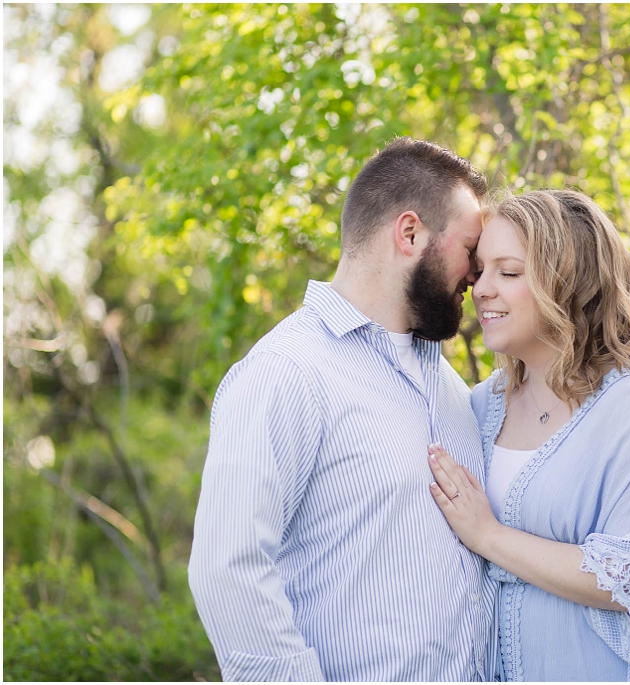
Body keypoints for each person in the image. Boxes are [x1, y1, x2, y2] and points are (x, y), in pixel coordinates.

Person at [188, 138, 497, 681]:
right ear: (410, 234)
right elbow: (227, 572)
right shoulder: (285, 373)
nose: (477, 274)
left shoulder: (450, 386)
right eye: (470, 250)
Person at [426, 189, 630, 681]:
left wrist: (489, 536)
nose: (481, 289)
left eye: (510, 272)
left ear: (568, 283)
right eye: (480, 271)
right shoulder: (478, 406)